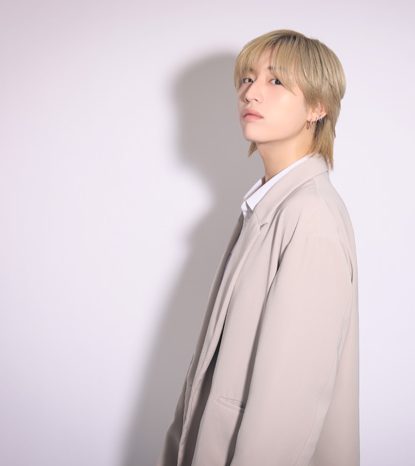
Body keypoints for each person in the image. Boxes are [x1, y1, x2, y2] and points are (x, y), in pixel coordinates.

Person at [158, 29, 358, 466]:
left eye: (276, 81)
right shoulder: (267, 206)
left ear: (317, 107)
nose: (251, 92)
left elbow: (289, 408)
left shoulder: (309, 218)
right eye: (247, 79)